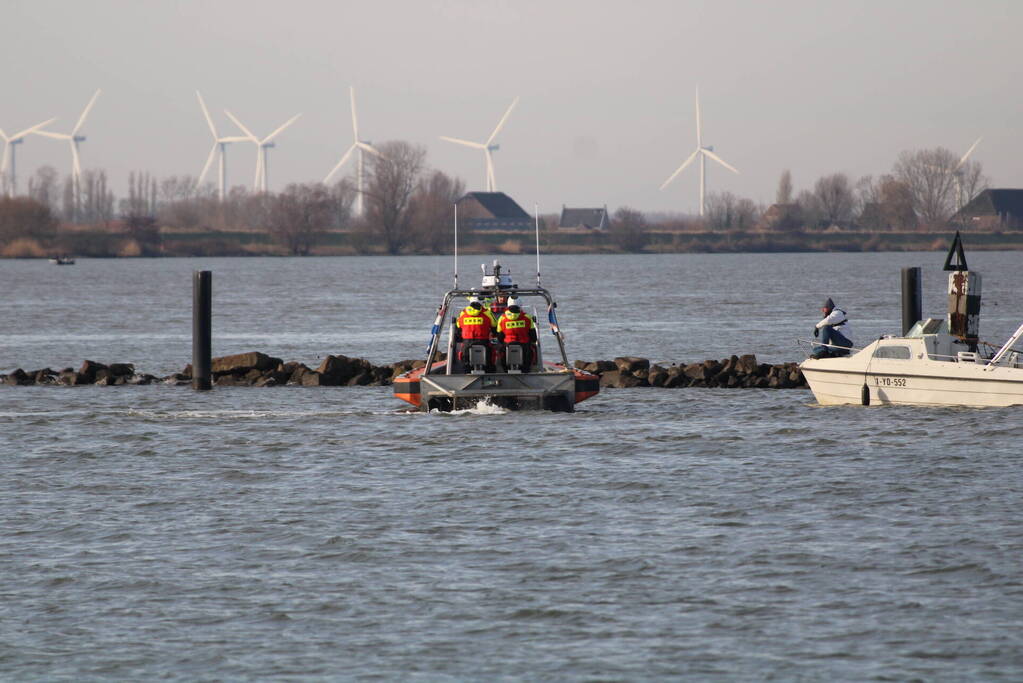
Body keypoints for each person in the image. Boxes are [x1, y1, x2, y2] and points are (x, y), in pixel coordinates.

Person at [456, 300, 495, 371]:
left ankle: (467, 373)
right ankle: (489, 373)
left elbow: (458, 326)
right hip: (483, 341)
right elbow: (494, 325)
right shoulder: (487, 313)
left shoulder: (463, 313)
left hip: (467, 342)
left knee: (465, 360)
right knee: (489, 358)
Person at [496, 303, 537, 371]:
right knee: (529, 353)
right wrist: (533, 341)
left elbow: (500, 336)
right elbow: (533, 335)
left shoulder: (502, 318)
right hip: (524, 345)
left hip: (507, 344)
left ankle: (505, 370)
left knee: (502, 352)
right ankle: (525, 371)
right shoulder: (527, 317)